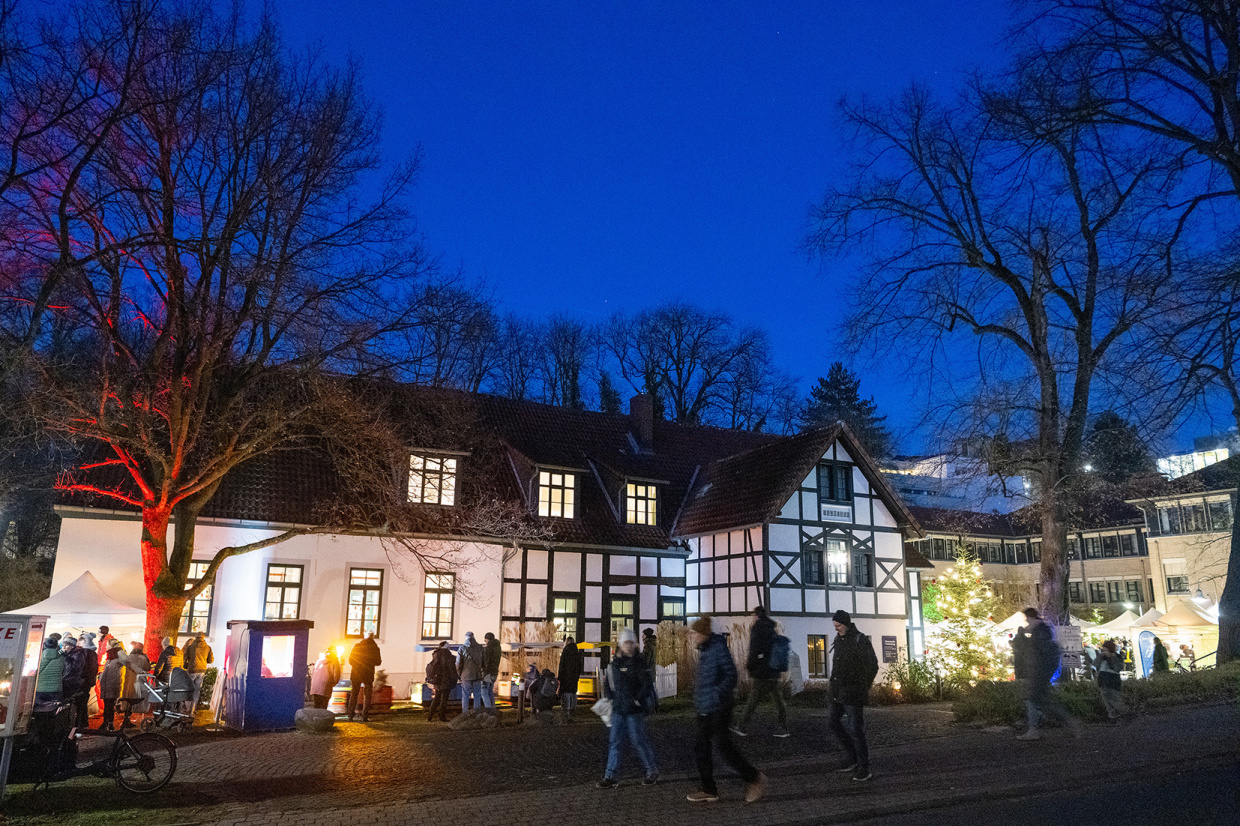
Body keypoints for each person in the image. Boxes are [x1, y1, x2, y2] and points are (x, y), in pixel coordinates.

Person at [685, 616, 765, 804]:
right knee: (701, 748)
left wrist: (715, 694)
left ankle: (754, 778)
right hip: (705, 707)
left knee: (724, 747)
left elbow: (731, 675)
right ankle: (709, 789)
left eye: (695, 633)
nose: (693, 637)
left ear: (704, 633)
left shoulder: (718, 648)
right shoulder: (705, 650)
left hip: (720, 707)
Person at [597, 628, 659, 788]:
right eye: (626, 643)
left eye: (631, 643)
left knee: (638, 741)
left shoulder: (639, 662)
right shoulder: (615, 664)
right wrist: (611, 699)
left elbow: (647, 683)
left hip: (633, 710)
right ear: (621, 645)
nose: (629, 646)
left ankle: (652, 770)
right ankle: (610, 776)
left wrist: (637, 700)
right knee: (615, 742)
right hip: (618, 709)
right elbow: (609, 684)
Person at [1013, 608, 1079, 740]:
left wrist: (1040, 670)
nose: (1026, 623)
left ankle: (1035, 730)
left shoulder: (1040, 632)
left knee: (1034, 701)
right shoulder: (1040, 631)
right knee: (1041, 702)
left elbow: (1044, 654)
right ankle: (1067, 724)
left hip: (1039, 673)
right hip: (1039, 672)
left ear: (1031, 618)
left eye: (1027, 619)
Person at [827, 610, 878, 781]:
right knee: (833, 722)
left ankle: (864, 766)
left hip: (853, 692)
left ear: (847, 623)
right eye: (835, 626)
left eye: (839, 625)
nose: (836, 629)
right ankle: (853, 757)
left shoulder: (860, 640)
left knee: (856, 728)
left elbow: (873, 665)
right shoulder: (838, 639)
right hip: (838, 691)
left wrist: (862, 686)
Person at [733, 606, 789, 738]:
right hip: (773, 670)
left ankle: (741, 726)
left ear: (757, 615)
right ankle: (784, 727)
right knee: (778, 700)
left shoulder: (757, 628)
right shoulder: (772, 628)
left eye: (753, 615)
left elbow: (754, 649)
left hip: (762, 671)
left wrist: (750, 666)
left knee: (753, 699)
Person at [347, 633, 382, 721]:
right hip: (368, 674)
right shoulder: (375, 648)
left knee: (354, 694)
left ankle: (350, 715)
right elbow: (378, 662)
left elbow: (350, 660)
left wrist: (357, 665)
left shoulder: (357, 646)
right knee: (367, 695)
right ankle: (365, 716)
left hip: (356, 673)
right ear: (373, 638)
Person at [119, 640, 152, 729]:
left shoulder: (129, 657)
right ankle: (138, 718)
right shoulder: (144, 658)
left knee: (128, 699)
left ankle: (127, 719)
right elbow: (147, 668)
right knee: (138, 698)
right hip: (140, 682)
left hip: (129, 681)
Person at [60, 635, 90, 727]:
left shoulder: (78, 654)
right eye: (63, 645)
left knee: (71, 705)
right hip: (66, 682)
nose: (64, 647)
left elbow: (73, 669)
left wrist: (65, 657)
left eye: (66, 645)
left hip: (73, 683)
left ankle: (71, 725)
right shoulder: (69, 654)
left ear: (72, 646)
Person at [1095, 639, 1127, 722]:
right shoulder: (1101, 657)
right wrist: (1100, 657)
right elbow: (1095, 664)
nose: (1104, 652)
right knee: (1106, 699)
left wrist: (1110, 659)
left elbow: (1117, 668)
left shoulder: (1117, 657)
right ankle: (1112, 716)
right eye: (1103, 650)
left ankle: (1120, 715)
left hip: (1113, 680)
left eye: (1106, 650)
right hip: (1103, 679)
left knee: (1115, 699)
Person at [182, 631, 214, 713]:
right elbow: (210, 660)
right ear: (203, 637)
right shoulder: (208, 647)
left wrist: (185, 666)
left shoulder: (190, 647)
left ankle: (188, 708)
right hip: (202, 671)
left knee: (188, 689)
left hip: (192, 670)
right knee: (197, 691)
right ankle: (192, 709)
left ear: (195, 637)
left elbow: (185, 658)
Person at [426, 641, 458, 722]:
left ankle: (430, 716)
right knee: (444, 699)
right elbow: (451, 669)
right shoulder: (447, 655)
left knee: (436, 698)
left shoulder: (436, 654)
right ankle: (442, 716)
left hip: (437, 680)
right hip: (446, 680)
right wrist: (455, 678)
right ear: (447, 647)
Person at [457, 631, 486, 714]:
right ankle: (477, 713)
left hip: (465, 675)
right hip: (477, 674)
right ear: (473, 637)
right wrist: (483, 672)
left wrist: (459, 674)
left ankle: (465, 713)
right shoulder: (480, 647)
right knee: (477, 694)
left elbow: (458, 663)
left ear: (466, 637)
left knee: (465, 695)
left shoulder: (462, 648)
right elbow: (484, 662)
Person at [557, 635, 584, 720]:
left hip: (566, 676)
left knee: (567, 693)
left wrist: (559, 678)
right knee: (573, 692)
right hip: (574, 676)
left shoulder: (565, 652)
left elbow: (562, 666)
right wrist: (577, 675)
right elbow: (580, 665)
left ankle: (567, 710)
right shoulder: (577, 652)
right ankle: (573, 708)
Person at [99, 647, 125, 730]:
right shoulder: (108, 661)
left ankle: (109, 723)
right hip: (106, 687)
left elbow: (125, 659)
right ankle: (107, 722)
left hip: (112, 687)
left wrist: (121, 653)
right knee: (107, 706)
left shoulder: (118, 662)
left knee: (109, 706)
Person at [35, 635, 65, 704]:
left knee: (39, 711)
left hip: (40, 689)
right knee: (53, 711)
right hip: (56, 690)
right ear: (57, 646)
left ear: (45, 645)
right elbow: (65, 672)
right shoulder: (62, 657)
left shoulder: (38, 657)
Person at [482, 632, 502, 710]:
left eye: (485, 640)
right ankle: (493, 709)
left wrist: (484, 673)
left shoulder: (489, 648)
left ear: (488, 639)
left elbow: (486, 661)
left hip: (488, 674)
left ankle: (488, 710)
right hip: (494, 673)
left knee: (484, 692)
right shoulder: (498, 647)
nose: (485, 641)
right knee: (490, 691)